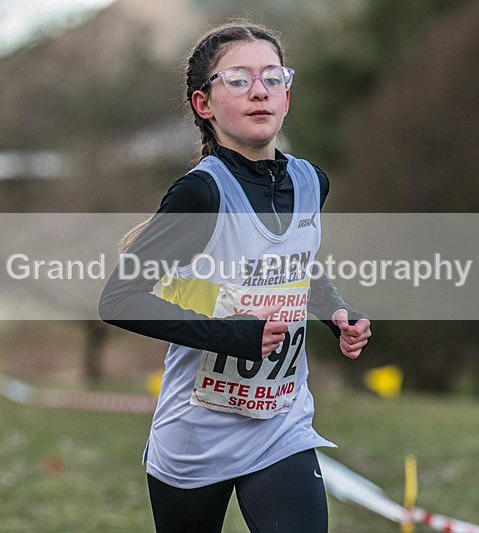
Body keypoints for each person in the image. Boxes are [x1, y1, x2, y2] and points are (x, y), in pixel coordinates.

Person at [100, 21, 371, 533]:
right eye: (239, 79)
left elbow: (299, 265)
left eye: (272, 77)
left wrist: (335, 312)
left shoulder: (312, 181)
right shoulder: (199, 195)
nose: (259, 90)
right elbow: (120, 298)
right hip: (196, 434)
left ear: (287, 97)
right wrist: (235, 336)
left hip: (280, 424)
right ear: (204, 104)